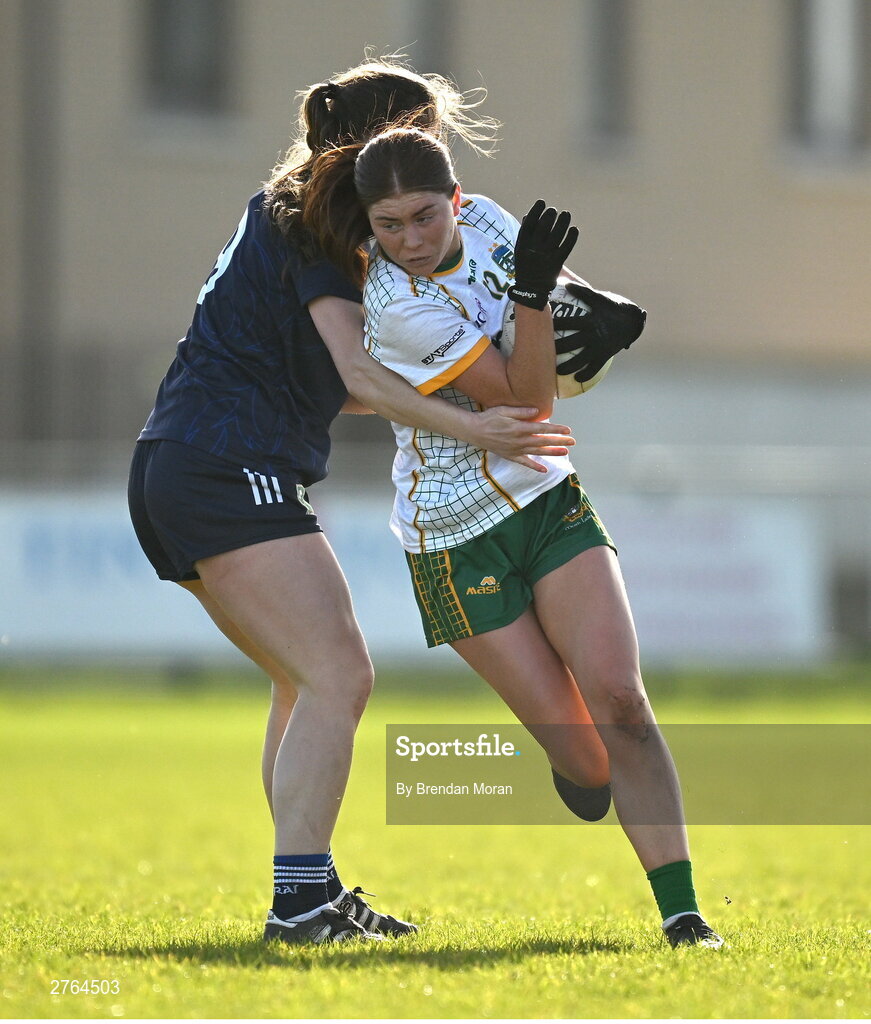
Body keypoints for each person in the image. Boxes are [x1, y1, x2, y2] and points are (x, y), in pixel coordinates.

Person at [127, 59, 583, 947]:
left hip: (192, 462)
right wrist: (485, 425)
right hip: (223, 465)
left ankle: (313, 890)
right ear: (370, 151)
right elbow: (359, 373)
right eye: (413, 138)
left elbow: (341, 386)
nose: (426, 159)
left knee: (305, 684)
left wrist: (468, 394)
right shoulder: (316, 224)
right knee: (339, 674)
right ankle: (298, 904)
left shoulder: (295, 208)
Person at [305, 125, 724, 949]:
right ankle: (578, 768)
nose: (410, 241)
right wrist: (534, 300)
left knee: (623, 705)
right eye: (387, 226)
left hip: (544, 499)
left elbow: (556, 322)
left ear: (456, 201)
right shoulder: (395, 308)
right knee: (590, 761)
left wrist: (593, 310)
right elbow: (528, 405)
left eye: (425, 217)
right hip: (454, 537)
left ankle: (683, 918)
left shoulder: (493, 223)